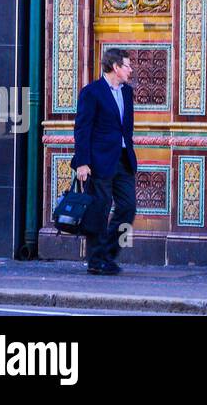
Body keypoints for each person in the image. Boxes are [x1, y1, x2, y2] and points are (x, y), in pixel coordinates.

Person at [72, 48, 137, 276]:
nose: (130, 70)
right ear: (116, 67)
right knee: (99, 209)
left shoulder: (127, 93)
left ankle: (107, 253)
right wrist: (82, 162)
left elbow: (124, 128)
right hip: (98, 161)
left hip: (122, 158)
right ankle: (95, 260)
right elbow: (82, 128)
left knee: (128, 207)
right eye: (127, 65)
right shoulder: (92, 92)